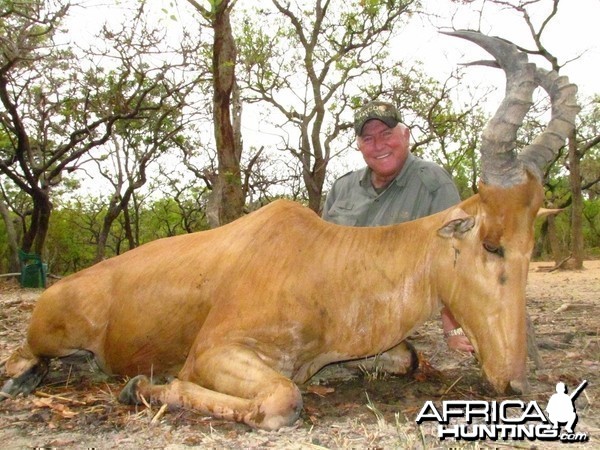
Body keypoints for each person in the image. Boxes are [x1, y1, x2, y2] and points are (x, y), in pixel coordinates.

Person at [322, 100, 473, 352]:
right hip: (334, 307)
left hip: (391, 313)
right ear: (359, 146)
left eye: (386, 134)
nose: (379, 145)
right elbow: (322, 256)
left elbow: (455, 259)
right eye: (368, 138)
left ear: (405, 135)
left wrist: (453, 330)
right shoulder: (342, 188)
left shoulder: (433, 182)